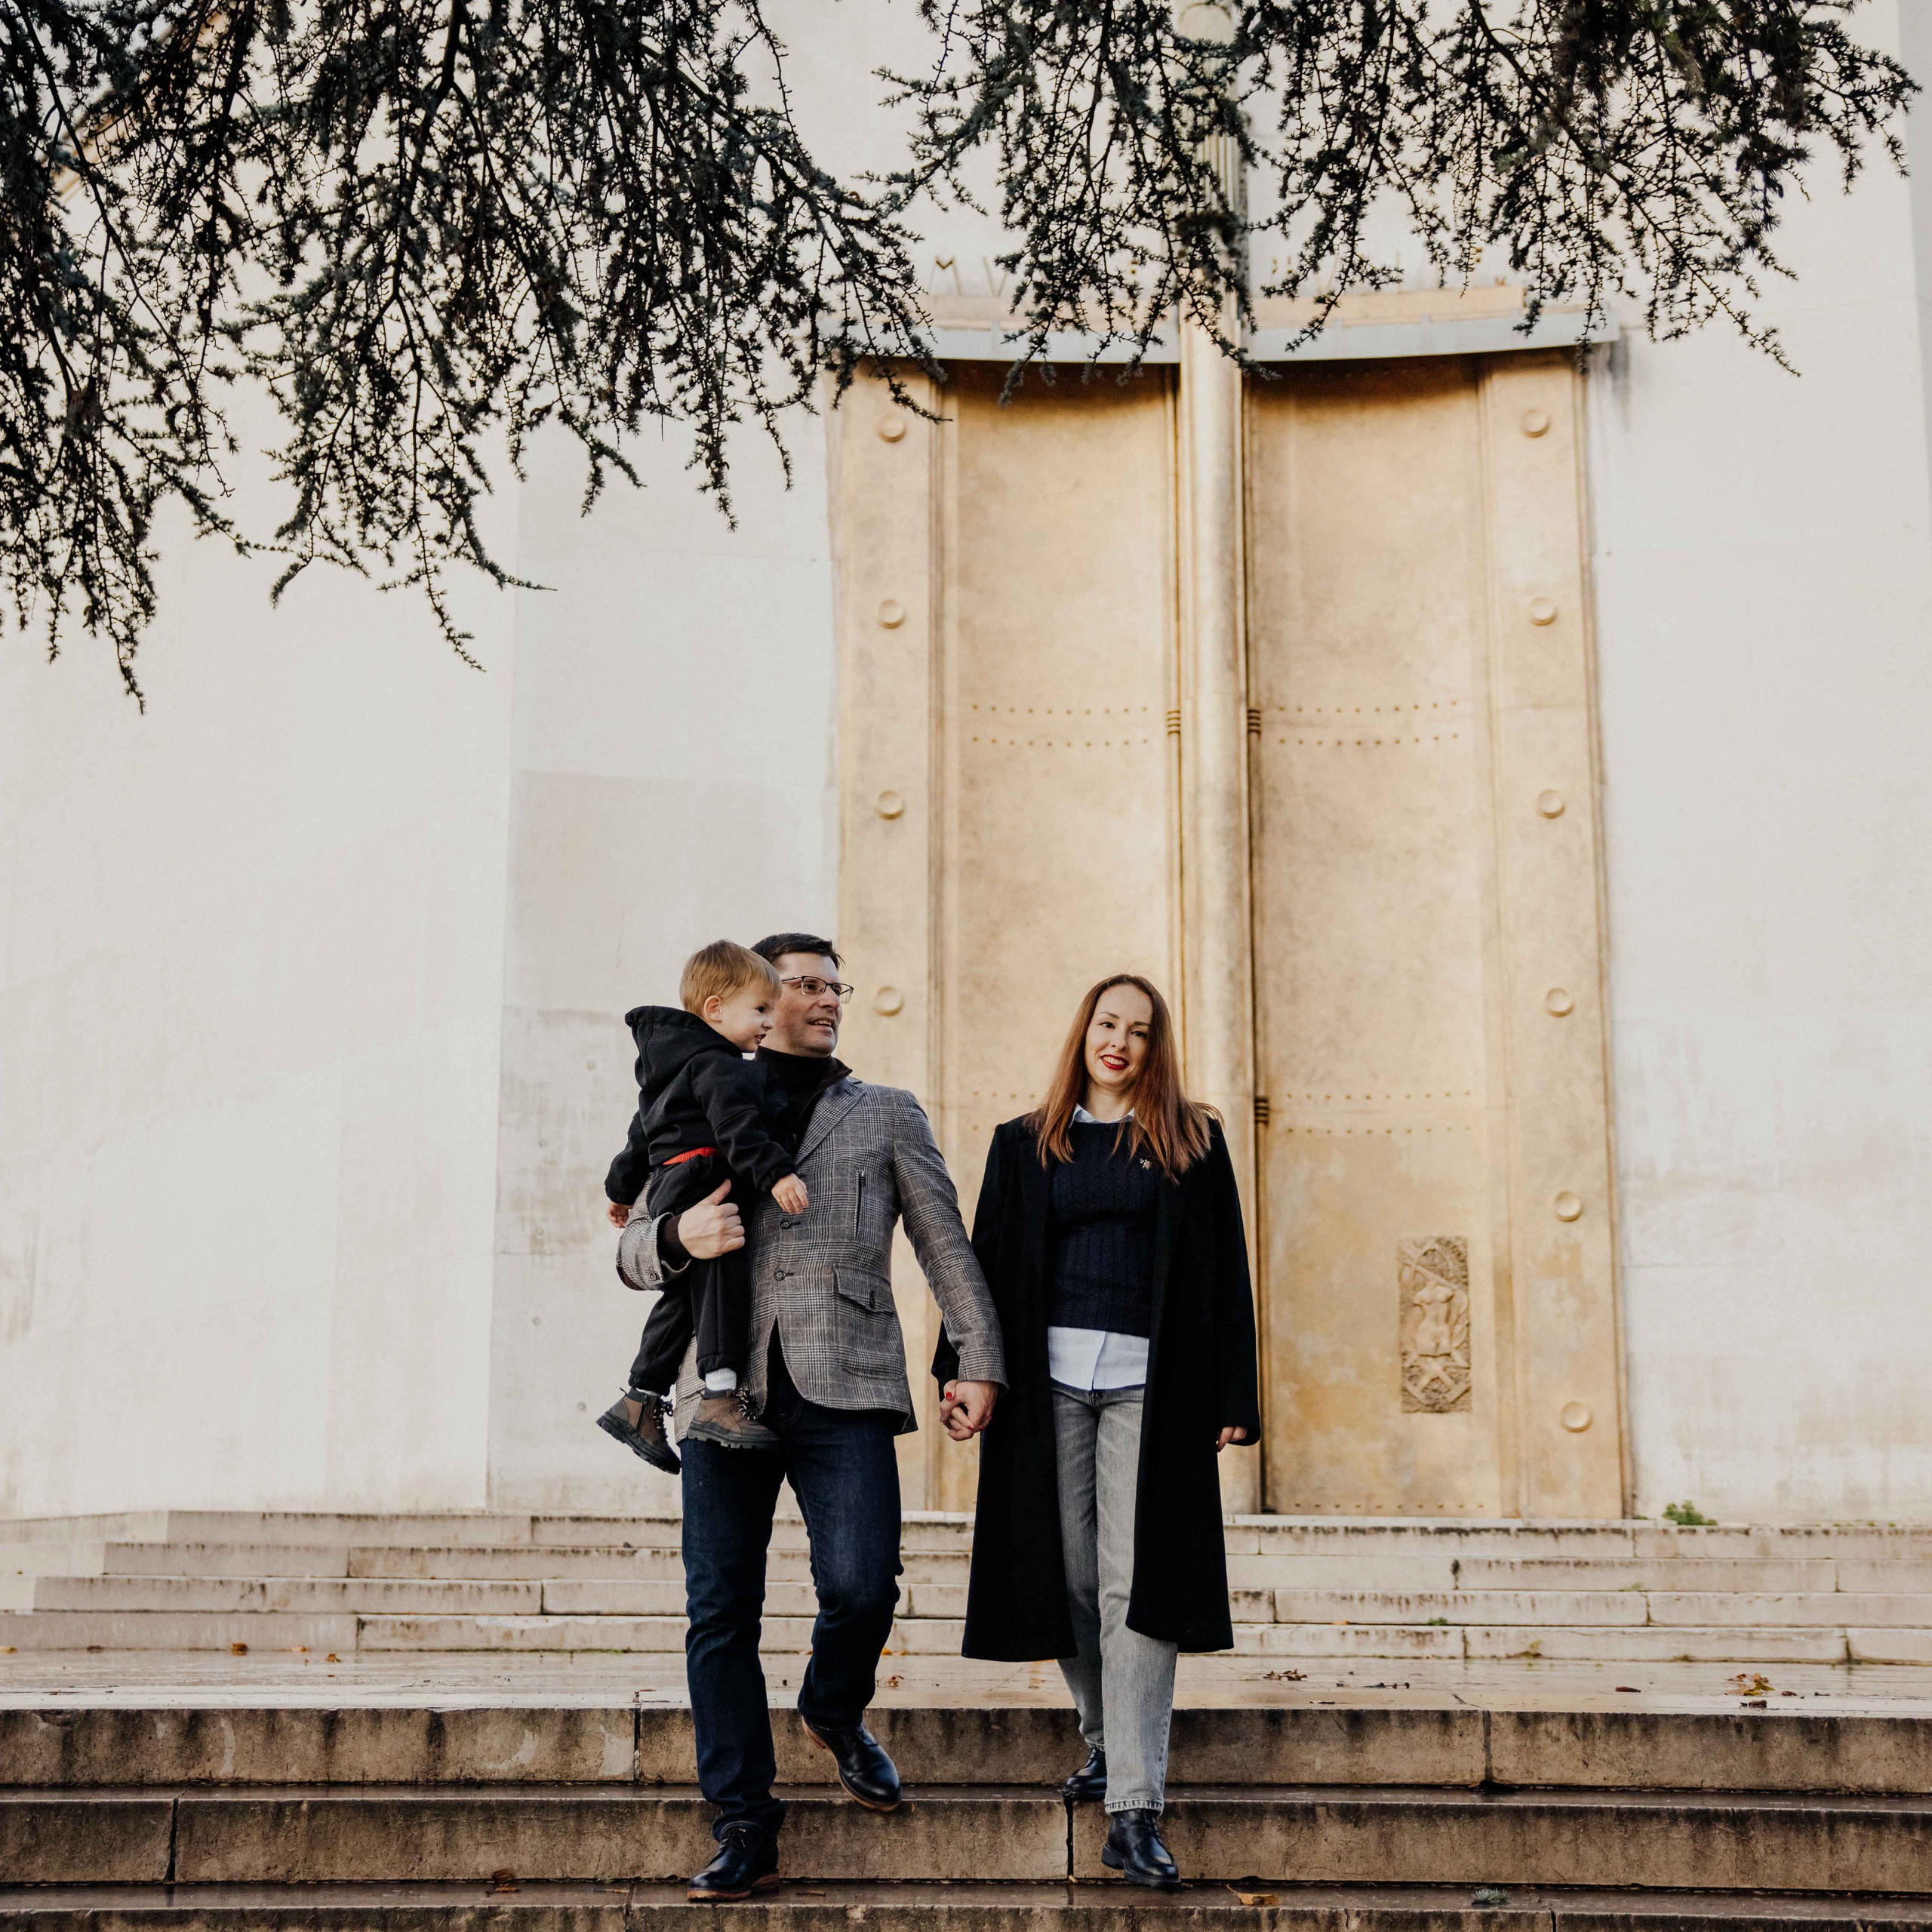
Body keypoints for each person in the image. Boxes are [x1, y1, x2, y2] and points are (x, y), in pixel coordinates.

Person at [616, 933, 1005, 1903]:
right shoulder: (691, 1089)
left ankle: (833, 1709)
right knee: (719, 1615)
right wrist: (675, 1233)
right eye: (805, 985)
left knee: (865, 1585)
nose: (827, 999)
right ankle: (744, 1823)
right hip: (723, 1391)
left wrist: (977, 1360)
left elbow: (943, 1243)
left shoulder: (883, 1113)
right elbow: (627, 1248)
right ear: (751, 998)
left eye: (837, 986)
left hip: (848, 1382)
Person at [935, 974, 1260, 1890]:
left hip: (1153, 1392)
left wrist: (1234, 1386)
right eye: (1107, 1025)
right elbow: (984, 1263)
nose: (1119, 1042)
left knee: (1135, 1583)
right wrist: (965, 1368)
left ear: (1157, 1047)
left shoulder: (1193, 1140)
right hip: (1045, 1391)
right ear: (1083, 1031)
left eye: (1140, 1031)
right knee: (1069, 1574)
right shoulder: (1022, 1143)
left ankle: (1135, 1808)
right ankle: (1105, 1737)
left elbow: (1224, 1266)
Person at [594, 941, 811, 1472]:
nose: (768, 1021)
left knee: (686, 1299)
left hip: (672, 1179)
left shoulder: (665, 1068)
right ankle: (718, 1395)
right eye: (760, 1009)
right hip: (704, 1175)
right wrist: (777, 1171)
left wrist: (621, 1190)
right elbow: (740, 1126)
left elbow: (638, 1137)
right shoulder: (719, 1065)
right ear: (715, 1009)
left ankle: (640, 1397)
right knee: (722, 1283)